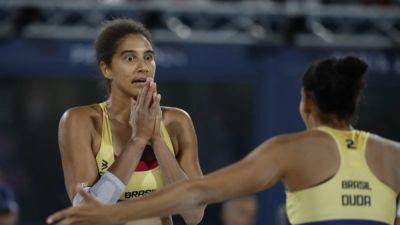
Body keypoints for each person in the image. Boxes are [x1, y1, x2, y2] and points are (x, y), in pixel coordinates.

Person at [48, 56, 400, 225]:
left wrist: (112, 214)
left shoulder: (290, 151)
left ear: (306, 102)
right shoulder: (393, 155)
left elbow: (198, 192)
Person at [56, 18, 202, 225]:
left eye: (148, 57)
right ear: (106, 69)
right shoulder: (81, 121)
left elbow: (194, 215)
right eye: (130, 58)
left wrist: (158, 140)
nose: (143, 67)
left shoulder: (177, 121)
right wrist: (138, 140)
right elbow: (86, 215)